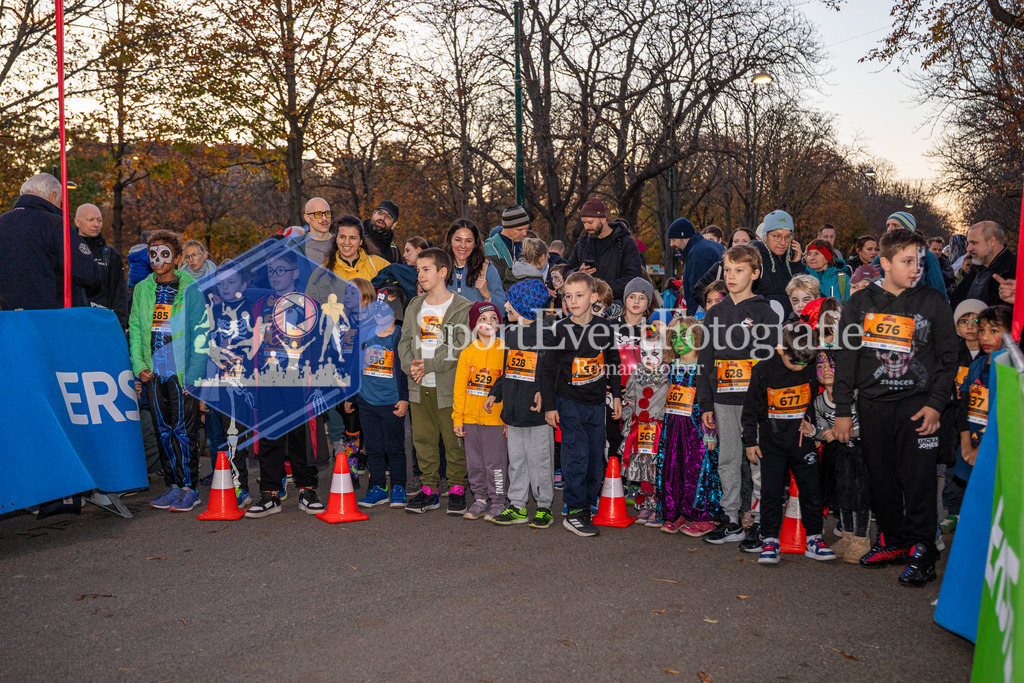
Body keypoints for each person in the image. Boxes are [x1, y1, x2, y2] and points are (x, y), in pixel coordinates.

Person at [833, 229, 958, 587]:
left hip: (918, 407)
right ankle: (894, 541)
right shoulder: (859, 303)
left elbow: (949, 359)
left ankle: (922, 550)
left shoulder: (934, 301)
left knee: (918, 481)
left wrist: (936, 405)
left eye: (919, 261)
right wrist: (843, 410)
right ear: (884, 263)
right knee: (882, 480)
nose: (916, 267)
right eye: (907, 261)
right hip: (873, 407)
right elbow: (846, 359)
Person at [697, 245, 780, 548]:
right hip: (722, 401)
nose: (731, 277)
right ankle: (731, 519)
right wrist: (706, 402)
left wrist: (763, 403)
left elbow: (771, 364)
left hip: (754, 403)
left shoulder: (766, 313)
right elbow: (705, 362)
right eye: (727, 270)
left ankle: (759, 523)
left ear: (755, 273)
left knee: (758, 461)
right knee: (728, 459)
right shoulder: (715, 313)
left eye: (739, 270)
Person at [244, 247, 328, 518]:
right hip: (268, 382)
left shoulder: (308, 305)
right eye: (271, 271)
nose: (275, 276)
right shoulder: (260, 306)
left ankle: (307, 489)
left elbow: (318, 347)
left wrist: (317, 384)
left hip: (299, 381)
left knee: (300, 437)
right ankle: (270, 493)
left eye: (281, 270)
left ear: (294, 273)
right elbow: (252, 348)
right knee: (270, 436)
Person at [742, 323, 836, 564]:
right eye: (795, 362)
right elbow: (751, 409)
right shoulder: (763, 370)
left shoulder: (810, 364)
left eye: (805, 363)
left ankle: (814, 537)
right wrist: (750, 441)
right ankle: (770, 539)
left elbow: (816, 401)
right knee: (771, 491)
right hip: (771, 444)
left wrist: (814, 430)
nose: (800, 367)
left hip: (802, 442)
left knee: (812, 489)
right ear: (780, 349)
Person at [129, 230, 207, 512]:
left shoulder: (191, 289)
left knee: (184, 431)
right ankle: (174, 485)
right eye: (152, 254)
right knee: (163, 431)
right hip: (154, 374)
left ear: (176, 258)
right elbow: (136, 329)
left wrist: (195, 375)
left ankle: (190, 487)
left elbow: (201, 334)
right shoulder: (142, 289)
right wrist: (139, 366)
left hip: (181, 373)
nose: (157, 260)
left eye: (164, 254)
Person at [540, 271, 622, 537]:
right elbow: (547, 370)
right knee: (576, 456)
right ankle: (574, 510)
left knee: (596, 459)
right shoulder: (559, 330)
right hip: (569, 402)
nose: (573, 301)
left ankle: (586, 503)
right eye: (568, 296)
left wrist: (617, 396)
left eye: (579, 295)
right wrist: (550, 406)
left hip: (597, 403)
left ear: (593, 297)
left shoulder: (605, 327)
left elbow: (613, 361)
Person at [399, 248, 473, 514]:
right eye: (418, 270)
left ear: (443, 272)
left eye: (426, 269)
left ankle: (456, 487)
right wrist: (411, 367)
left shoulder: (461, 308)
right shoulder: (415, 306)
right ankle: (429, 488)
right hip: (419, 387)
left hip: (448, 387)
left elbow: (457, 348)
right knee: (423, 439)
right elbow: (405, 341)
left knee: (453, 441)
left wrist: (426, 365)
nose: (420, 275)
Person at [487, 278, 555, 528]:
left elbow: (552, 371)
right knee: (516, 461)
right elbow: (507, 370)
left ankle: (544, 506)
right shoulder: (511, 334)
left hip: (536, 415)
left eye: (511, 302)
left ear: (525, 306)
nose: (505, 305)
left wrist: (544, 393)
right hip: (513, 412)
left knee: (540, 460)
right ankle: (517, 505)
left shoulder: (546, 335)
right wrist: (496, 393)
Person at [804, 351, 870, 563]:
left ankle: (861, 539)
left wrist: (842, 432)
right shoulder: (819, 401)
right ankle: (847, 535)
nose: (825, 370)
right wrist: (811, 430)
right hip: (839, 454)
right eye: (820, 366)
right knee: (842, 492)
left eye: (831, 365)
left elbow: (868, 424)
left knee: (859, 495)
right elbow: (824, 431)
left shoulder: (857, 394)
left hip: (861, 453)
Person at [0, 173, 100, 310]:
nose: (61, 207)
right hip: (52, 318)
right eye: (60, 202)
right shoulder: (56, 225)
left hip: (11, 319)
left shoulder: (3, 223)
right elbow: (88, 274)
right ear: (53, 195)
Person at [659, 318, 720, 535]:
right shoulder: (671, 367)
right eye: (674, 336)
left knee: (699, 470)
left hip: (697, 428)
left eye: (684, 335)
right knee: (674, 469)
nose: (678, 341)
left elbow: (710, 402)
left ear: (697, 337)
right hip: (674, 427)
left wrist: (710, 432)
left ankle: (703, 516)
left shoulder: (706, 367)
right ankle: (677, 513)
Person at [352, 293, 410, 509]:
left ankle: (398, 486)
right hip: (367, 402)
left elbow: (405, 372)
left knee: (394, 448)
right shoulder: (365, 335)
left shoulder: (399, 338)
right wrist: (353, 397)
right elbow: (355, 367)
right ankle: (377, 487)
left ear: (395, 313)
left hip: (392, 403)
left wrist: (404, 399)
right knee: (373, 448)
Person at [452, 301, 508, 521]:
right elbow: (459, 389)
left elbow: (509, 387)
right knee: (474, 463)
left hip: (496, 420)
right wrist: (458, 418)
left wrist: (507, 420)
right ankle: (480, 499)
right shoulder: (467, 354)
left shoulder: (505, 351)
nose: (489, 323)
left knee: (495, 463)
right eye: (482, 319)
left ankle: (498, 501)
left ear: (499, 324)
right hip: (470, 420)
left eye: (494, 318)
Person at [954, 305, 1011, 500]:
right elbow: (964, 407)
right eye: (982, 331)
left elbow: (1005, 415)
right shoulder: (976, 365)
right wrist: (966, 446)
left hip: (998, 448)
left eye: (994, 331)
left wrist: (981, 449)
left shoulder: (1012, 368)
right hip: (972, 445)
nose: (985, 337)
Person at [619, 330, 670, 526]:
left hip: (659, 428)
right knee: (644, 467)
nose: (649, 359)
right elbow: (630, 397)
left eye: (655, 353)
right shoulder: (636, 374)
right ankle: (646, 504)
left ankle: (659, 505)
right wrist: (627, 411)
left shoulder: (668, 373)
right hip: (639, 428)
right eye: (645, 353)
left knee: (658, 466)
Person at [565, 198, 645, 301]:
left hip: (616, 306)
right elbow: (566, 272)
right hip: (586, 307)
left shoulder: (625, 243)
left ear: (603, 219)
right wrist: (578, 273)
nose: (587, 227)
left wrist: (600, 289)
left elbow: (633, 279)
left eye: (590, 222)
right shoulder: (582, 244)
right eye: (584, 223)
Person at [74, 203, 129, 328]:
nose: (96, 224)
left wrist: (119, 325)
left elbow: (119, 294)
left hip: (101, 323)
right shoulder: (66, 251)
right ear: (77, 221)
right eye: (90, 220)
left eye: (99, 220)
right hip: (73, 322)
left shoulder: (111, 255)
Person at [870, 211, 946, 295]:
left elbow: (938, 288)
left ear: (908, 229)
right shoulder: (883, 255)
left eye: (895, 225)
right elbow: (865, 279)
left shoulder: (927, 256)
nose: (890, 229)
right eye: (888, 225)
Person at [443, 218, 507, 312]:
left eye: (468, 241)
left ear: (474, 244)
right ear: (450, 241)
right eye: (458, 240)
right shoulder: (439, 268)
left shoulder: (486, 268)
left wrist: (488, 295)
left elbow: (503, 310)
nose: (463, 245)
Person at [950, 221, 1016, 308]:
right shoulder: (976, 270)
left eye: (974, 243)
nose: (968, 248)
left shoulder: (1016, 270)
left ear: (991, 242)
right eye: (968, 243)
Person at [751, 210, 805, 314]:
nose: (783, 242)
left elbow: (806, 294)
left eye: (787, 236)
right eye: (777, 236)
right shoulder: (754, 258)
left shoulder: (791, 259)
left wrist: (796, 265)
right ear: (765, 236)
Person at [669, 217, 725, 313]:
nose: (671, 244)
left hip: (706, 314)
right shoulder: (713, 246)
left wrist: (696, 319)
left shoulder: (698, 254)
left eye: (674, 239)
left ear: (683, 236)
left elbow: (696, 291)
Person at [324, 215, 390, 281]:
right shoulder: (324, 270)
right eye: (342, 237)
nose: (347, 242)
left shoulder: (378, 265)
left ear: (361, 241)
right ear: (336, 239)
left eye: (353, 238)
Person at [484, 204, 530, 287]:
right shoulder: (491, 248)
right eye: (519, 230)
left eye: (526, 228)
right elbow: (497, 282)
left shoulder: (525, 245)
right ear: (507, 227)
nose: (524, 233)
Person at [292, 197, 335, 267]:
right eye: (318, 214)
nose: (324, 218)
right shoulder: (294, 246)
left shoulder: (343, 244)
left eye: (327, 213)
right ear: (307, 218)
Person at [803, 239, 850, 303]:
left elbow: (849, 305)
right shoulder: (803, 277)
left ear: (827, 257)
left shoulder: (842, 279)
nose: (811, 258)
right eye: (809, 254)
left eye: (817, 254)